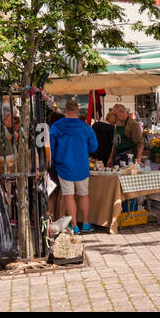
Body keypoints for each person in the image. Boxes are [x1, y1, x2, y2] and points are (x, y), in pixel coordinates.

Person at [49, 98, 99, 234]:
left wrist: (51, 163)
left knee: (68, 196)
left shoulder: (56, 127)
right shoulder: (86, 127)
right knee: (84, 195)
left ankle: (75, 225)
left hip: (64, 166)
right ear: (77, 111)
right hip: (82, 165)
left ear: (65, 111)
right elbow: (94, 147)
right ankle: (87, 224)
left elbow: (51, 148)